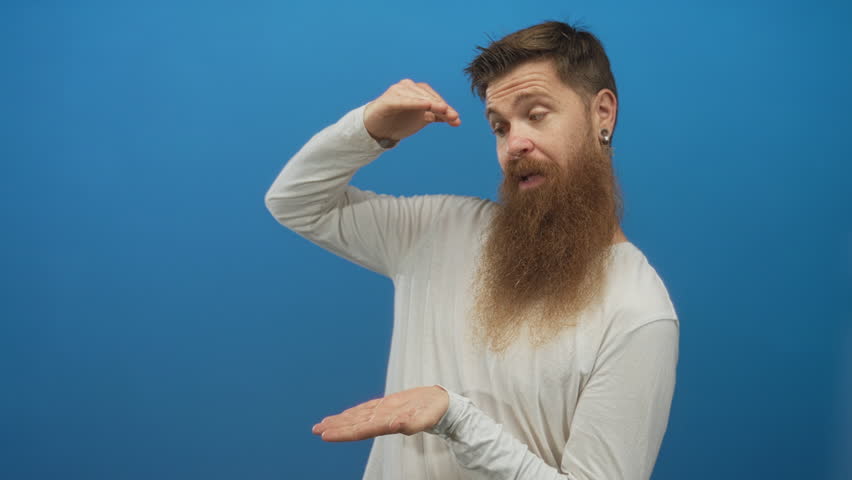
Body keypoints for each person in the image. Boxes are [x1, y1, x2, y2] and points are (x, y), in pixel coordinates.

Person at [265, 20, 679, 480]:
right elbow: (296, 203)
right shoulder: (439, 231)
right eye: (499, 127)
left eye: (536, 115)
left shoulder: (638, 310)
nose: (514, 144)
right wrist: (369, 130)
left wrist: (454, 418)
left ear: (602, 113)